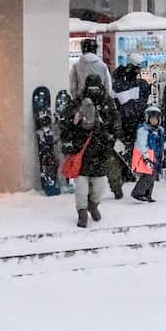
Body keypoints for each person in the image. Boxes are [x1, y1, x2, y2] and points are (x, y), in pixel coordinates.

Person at [60, 73, 120, 227]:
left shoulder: (107, 101)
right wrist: (68, 141)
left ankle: (93, 205)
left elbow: (115, 120)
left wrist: (112, 137)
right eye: (90, 87)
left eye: (96, 87)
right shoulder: (78, 102)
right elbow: (66, 123)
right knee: (81, 187)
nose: (93, 90)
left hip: (101, 150)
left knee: (99, 186)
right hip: (81, 150)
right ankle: (81, 212)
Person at [130, 106, 166, 202]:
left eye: (156, 119)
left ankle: (147, 194)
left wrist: (162, 154)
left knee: (153, 176)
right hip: (146, 155)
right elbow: (141, 144)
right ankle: (137, 193)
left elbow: (161, 144)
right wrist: (146, 156)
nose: (154, 121)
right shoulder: (143, 130)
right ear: (147, 119)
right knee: (147, 176)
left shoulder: (160, 131)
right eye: (151, 118)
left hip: (156, 155)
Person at [69, 38, 112, 102]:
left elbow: (72, 86)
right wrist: (105, 99)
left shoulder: (76, 65)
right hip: (99, 100)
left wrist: (76, 98)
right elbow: (108, 85)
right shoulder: (103, 65)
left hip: (82, 101)